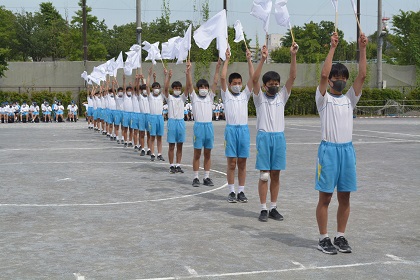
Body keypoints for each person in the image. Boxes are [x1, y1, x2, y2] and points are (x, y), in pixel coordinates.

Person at [315, 32, 368, 255]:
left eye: (344, 77)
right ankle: (323, 238)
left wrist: (363, 49)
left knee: (344, 196)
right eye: (337, 77)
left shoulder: (349, 100)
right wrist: (332, 47)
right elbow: (324, 72)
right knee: (326, 197)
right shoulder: (323, 99)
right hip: (328, 151)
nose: (341, 80)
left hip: (347, 151)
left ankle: (340, 235)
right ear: (329, 81)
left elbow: (363, 76)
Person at [252, 43, 298, 222]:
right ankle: (263, 208)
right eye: (271, 84)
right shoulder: (259, 99)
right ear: (264, 86)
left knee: (276, 174)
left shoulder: (281, 97)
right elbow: (254, 80)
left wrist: (293, 56)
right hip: (264, 138)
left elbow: (292, 77)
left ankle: (273, 207)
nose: (274, 86)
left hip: (279, 137)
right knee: (264, 175)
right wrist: (262, 59)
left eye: (276, 84)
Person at [220, 48, 254, 203]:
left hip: (244, 131)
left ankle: (241, 191)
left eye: (239, 83)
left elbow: (253, 78)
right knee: (232, 163)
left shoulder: (244, 95)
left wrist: (249, 60)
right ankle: (231, 191)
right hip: (231, 131)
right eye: (234, 83)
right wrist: (227, 60)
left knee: (242, 162)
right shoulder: (226, 95)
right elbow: (222, 77)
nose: (237, 86)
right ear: (229, 84)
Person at [186, 59, 221, 187]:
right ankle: (195, 177)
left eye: (206, 87)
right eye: (202, 87)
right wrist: (188, 71)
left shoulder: (210, 97)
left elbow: (216, 81)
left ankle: (206, 177)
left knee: (207, 153)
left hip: (209, 127)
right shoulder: (194, 97)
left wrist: (217, 68)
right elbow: (189, 85)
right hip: (199, 127)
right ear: (198, 88)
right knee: (197, 153)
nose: (204, 89)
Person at [163, 68, 187, 174]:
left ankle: (178, 165)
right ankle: (171, 165)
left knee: (180, 145)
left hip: (181, 122)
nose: (178, 90)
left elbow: (189, 87)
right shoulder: (169, 98)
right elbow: (165, 89)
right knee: (172, 145)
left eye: (179, 88)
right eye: (176, 88)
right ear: (173, 89)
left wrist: (187, 74)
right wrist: (168, 77)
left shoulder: (182, 98)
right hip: (172, 122)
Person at [146, 67, 165, 161]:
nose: (156, 89)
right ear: (152, 89)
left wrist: (166, 76)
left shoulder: (161, 97)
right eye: (155, 88)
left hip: (160, 117)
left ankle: (160, 154)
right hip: (152, 118)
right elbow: (147, 86)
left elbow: (165, 86)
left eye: (158, 88)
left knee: (159, 137)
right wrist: (149, 75)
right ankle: (152, 153)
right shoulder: (150, 96)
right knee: (152, 136)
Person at [137, 77, 152, 156]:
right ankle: (142, 148)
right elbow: (137, 88)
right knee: (142, 133)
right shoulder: (140, 97)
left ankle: (149, 149)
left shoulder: (150, 97)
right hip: (142, 116)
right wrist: (138, 80)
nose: (145, 90)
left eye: (146, 89)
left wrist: (145, 79)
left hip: (149, 116)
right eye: (144, 89)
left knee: (149, 133)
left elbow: (149, 86)